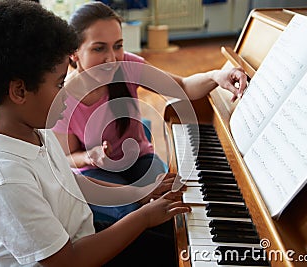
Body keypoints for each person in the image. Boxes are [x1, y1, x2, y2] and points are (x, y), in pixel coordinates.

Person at [0, 0, 190, 266]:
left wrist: (140, 193)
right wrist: (143, 216)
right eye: (60, 83)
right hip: (75, 256)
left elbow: (68, 183)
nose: (67, 93)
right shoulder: (4, 180)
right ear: (19, 91)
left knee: (176, 234)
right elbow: (67, 261)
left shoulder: (32, 129)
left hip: (83, 235)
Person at [52, 1, 247, 222]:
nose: (112, 58)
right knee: (131, 213)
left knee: (171, 198)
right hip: (96, 171)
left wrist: (214, 76)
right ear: (74, 53)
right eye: (99, 48)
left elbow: (182, 87)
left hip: (138, 157)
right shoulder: (62, 99)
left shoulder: (127, 65)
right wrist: (89, 156)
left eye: (118, 45)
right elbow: (67, 157)